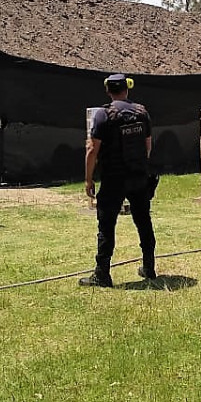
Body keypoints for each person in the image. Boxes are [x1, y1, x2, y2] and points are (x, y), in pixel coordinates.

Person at [80, 74, 156, 287]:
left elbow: (92, 150)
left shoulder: (104, 115)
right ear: (127, 89)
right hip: (138, 176)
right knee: (143, 221)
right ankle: (149, 267)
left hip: (113, 178)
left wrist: (88, 180)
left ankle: (102, 274)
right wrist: (139, 166)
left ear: (108, 91)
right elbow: (147, 146)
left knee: (106, 226)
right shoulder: (142, 112)